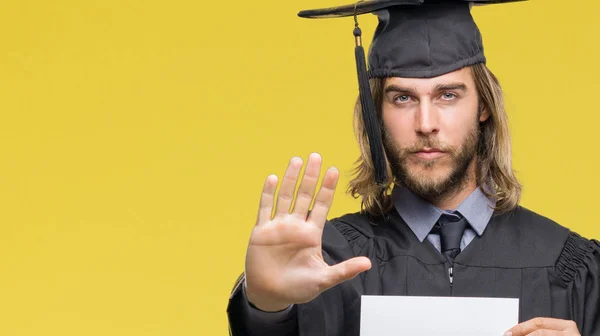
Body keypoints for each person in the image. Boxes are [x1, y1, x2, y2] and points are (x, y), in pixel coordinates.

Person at [227, 0, 600, 335]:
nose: (425, 123)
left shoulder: (569, 266)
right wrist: (265, 307)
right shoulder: (328, 261)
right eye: (403, 98)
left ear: (483, 107)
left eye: (448, 95)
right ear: (377, 115)